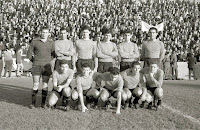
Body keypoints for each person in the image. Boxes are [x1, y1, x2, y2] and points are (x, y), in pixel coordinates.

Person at [27, 26, 55, 109]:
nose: (44, 34)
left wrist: (47, 61)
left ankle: (43, 103)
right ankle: (33, 103)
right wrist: (35, 61)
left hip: (46, 66)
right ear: (40, 32)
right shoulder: (34, 41)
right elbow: (29, 54)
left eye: (46, 32)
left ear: (49, 33)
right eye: (43, 32)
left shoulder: (51, 42)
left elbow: (53, 55)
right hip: (36, 65)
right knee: (35, 84)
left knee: (45, 84)